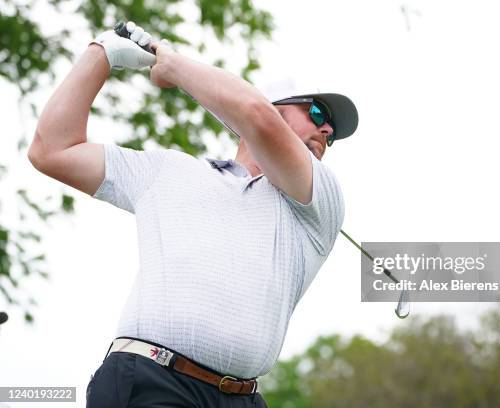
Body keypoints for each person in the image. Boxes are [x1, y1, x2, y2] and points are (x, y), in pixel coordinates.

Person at [27, 22, 358, 408]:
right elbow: (52, 150)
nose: (327, 129)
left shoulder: (322, 200)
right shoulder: (168, 170)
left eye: (331, 131)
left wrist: (172, 65)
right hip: (150, 382)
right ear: (276, 107)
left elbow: (256, 116)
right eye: (316, 112)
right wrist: (101, 54)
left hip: (243, 399)